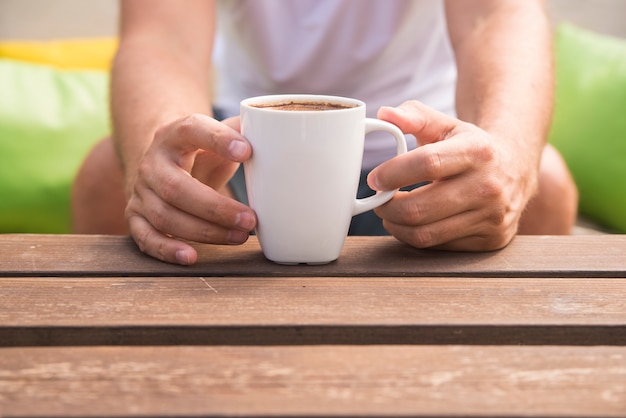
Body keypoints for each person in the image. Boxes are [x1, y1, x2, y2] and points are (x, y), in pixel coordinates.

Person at [72, 0, 578, 265]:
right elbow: (163, 34)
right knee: (107, 176)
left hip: (423, 153)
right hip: (248, 150)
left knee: (544, 184)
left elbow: (496, 13)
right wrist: (164, 169)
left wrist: (507, 153)